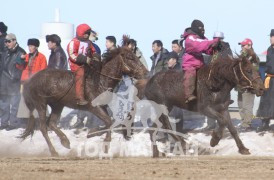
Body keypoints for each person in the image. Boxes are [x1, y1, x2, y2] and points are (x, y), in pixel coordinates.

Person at [182, 19, 219, 103]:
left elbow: (207, 49)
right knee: (190, 73)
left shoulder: (202, 38)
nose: (203, 30)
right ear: (195, 28)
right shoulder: (190, 38)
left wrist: (214, 48)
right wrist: (213, 41)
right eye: (200, 27)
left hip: (200, 63)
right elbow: (198, 45)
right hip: (190, 63)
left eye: (203, 28)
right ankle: (188, 95)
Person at [202, 31, 233, 131]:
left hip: (222, 82)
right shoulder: (211, 49)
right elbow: (207, 62)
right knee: (209, 103)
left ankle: (223, 123)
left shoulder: (227, 49)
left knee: (222, 103)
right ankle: (210, 123)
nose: (217, 40)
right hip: (211, 81)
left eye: (218, 39)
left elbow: (229, 63)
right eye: (215, 38)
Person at [0, 33, 26, 130]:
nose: (7, 43)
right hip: (3, 81)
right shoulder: (5, 52)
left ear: (14, 40)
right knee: (3, 104)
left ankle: (13, 123)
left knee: (15, 104)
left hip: (14, 81)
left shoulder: (21, 52)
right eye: (6, 41)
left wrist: (20, 60)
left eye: (9, 41)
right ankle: (4, 122)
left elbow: (21, 66)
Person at [17, 38, 47, 120]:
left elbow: (43, 71)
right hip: (25, 82)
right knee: (25, 101)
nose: (30, 48)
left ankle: (39, 119)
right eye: (29, 46)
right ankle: (25, 119)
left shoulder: (42, 57)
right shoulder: (26, 56)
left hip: (36, 83)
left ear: (36, 47)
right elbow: (19, 66)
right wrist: (20, 59)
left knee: (38, 101)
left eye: (31, 46)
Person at [67, 24, 96, 105]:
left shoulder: (89, 42)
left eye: (88, 33)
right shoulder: (73, 42)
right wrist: (84, 59)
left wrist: (96, 57)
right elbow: (72, 54)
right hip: (76, 64)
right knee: (81, 74)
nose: (87, 35)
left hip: (86, 63)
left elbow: (93, 51)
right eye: (86, 33)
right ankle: (79, 98)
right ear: (81, 33)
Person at [237, 38, 260, 131]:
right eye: (241, 45)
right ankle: (243, 123)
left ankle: (247, 125)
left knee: (247, 106)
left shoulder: (253, 56)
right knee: (240, 106)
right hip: (240, 86)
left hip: (249, 86)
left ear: (249, 45)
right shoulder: (241, 56)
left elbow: (255, 70)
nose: (242, 47)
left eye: (243, 45)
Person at [257, 29, 274, 132]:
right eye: (270, 37)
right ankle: (265, 123)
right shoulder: (269, 49)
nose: (270, 39)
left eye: (272, 36)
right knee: (265, 101)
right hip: (269, 79)